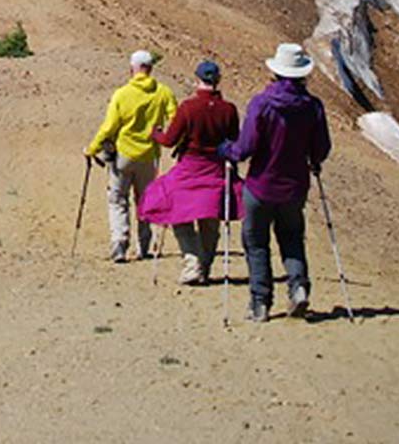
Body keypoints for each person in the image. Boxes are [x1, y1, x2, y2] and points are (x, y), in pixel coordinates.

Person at [219, 42, 331, 322]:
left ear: (276, 73)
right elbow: (321, 148)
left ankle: (260, 303)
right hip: (295, 188)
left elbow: (245, 147)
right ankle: (298, 287)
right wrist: (312, 160)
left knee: (256, 242)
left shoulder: (262, 103)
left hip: (260, 186)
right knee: (292, 238)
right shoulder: (313, 107)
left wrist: (226, 150)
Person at [138, 60, 242, 285]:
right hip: (216, 169)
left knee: (176, 212)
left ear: (197, 79)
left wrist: (155, 134)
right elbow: (235, 142)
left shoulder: (188, 108)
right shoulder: (229, 110)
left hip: (190, 168)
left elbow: (169, 140)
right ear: (218, 80)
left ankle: (192, 261)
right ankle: (204, 266)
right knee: (210, 218)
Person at [85, 50, 177, 263]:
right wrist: (162, 135)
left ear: (132, 68)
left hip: (123, 156)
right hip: (149, 156)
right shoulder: (163, 92)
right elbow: (175, 118)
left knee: (117, 199)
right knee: (144, 200)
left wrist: (92, 149)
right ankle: (143, 246)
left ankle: (119, 242)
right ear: (151, 68)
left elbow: (109, 127)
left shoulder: (122, 94)